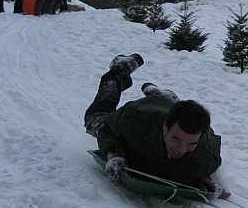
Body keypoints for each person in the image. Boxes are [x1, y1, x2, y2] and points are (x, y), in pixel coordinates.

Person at [84, 54, 223, 193]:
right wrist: (114, 152)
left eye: (191, 144)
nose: (181, 149)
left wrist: (201, 180)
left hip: (167, 108)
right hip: (148, 110)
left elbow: (197, 170)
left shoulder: (207, 156)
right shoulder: (135, 121)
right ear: (165, 127)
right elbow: (106, 129)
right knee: (93, 120)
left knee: (177, 114)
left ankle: (165, 97)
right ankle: (120, 70)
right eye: (176, 139)